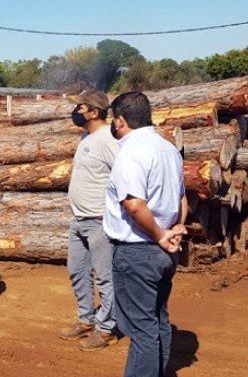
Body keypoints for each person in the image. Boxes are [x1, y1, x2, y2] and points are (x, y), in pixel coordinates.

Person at [104, 92, 188, 377]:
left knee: (141, 331)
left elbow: (134, 205)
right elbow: (181, 199)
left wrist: (160, 234)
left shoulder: (131, 153)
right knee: (158, 320)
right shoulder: (168, 150)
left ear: (121, 120)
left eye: (113, 120)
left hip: (137, 252)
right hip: (164, 253)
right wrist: (175, 228)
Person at [59, 89, 120, 351]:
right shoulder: (87, 135)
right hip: (79, 220)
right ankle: (86, 319)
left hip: (99, 220)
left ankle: (107, 329)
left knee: (105, 277)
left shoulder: (107, 139)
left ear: (94, 112)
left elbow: (123, 175)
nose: (77, 112)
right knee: (77, 271)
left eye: (81, 108)